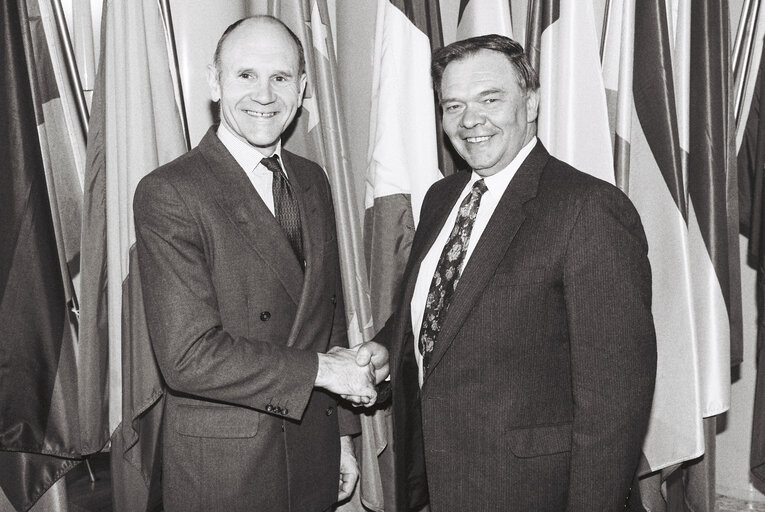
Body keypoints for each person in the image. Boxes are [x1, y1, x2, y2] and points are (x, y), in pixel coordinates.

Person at [383, 35, 657, 511]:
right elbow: (440, 311)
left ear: (531, 102)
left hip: (531, 493)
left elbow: (614, 404)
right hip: (436, 484)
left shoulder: (588, 210)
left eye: (490, 99)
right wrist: (382, 346)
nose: (470, 120)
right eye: (453, 105)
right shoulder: (441, 199)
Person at [133, 16, 388, 512]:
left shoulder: (312, 179)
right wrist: (324, 372)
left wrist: (341, 437)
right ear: (214, 82)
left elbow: (324, 315)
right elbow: (189, 358)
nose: (264, 95)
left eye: (280, 78)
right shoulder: (170, 192)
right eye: (245, 75)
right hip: (227, 469)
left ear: (303, 87)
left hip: (311, 447)